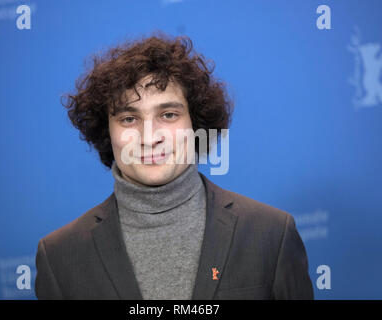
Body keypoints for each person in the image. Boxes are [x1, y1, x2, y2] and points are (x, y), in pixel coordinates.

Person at [34, 32, 314, 300]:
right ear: (107, 132)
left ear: (196, 123)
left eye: (168, 115)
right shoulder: (59, 256)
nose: (149, 137)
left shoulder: (271, 234)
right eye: (129, 119)